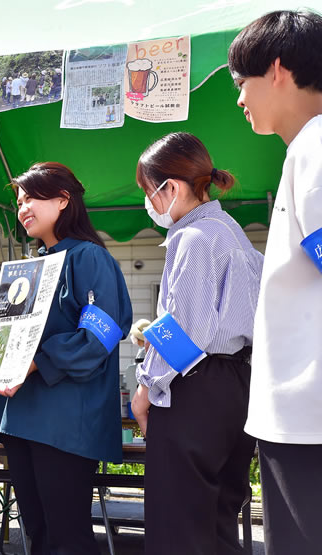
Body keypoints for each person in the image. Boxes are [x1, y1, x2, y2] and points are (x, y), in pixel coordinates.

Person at [0, 162, 132, 554]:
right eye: (18, 201)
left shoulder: (89, 257)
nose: (22, 208)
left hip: (65, 422)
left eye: (31, 197)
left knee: (67, 536)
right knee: (40, 534)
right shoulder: (33, 265)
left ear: (63, 200)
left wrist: (33, 363)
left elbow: (101, 333)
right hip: (23, 416)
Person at [129, 132, 264, 554]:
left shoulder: (195, 238)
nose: (148, 204)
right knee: (220, 518)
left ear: (172, 187)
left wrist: (146, 385)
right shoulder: (232, 233)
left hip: (195, 388)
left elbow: (185, 331)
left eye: (148, 192)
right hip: (237, 384)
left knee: (178, 524)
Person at [228, 10, 322, 554]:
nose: (239, 99)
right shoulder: (304, 150)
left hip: (307, 413)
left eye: (243, 82)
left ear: (279, 69)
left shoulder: (313, 148)